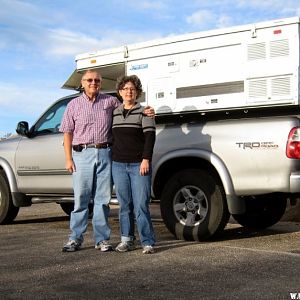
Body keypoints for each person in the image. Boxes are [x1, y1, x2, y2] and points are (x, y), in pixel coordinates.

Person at [60, 69, 154, 252]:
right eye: (89, 80)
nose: (93, 83)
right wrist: (68, 159)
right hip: (82, 154)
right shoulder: (73, 105)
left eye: (97, 80)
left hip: (105, 153)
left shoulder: (110, 102)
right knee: (81, 199)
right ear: (83, 83)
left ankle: (102, 239)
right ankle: (75, 238)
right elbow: (67, 133)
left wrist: (148, 110)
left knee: (102, 199)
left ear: (101, 83)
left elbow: (130, 106)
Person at [112, 75, 156, 254]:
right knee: (124, 205)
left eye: (132, 89)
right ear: (120, 92)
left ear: (137, 92)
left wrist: (146, 159)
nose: (129, 91)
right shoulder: (114, 112)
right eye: (125, 89)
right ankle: (127, 240)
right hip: (118, 165)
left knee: (141, 204)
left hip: (139, 165)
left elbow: (150, 137)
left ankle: (147, 241)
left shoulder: (145, 112)